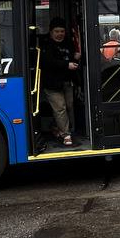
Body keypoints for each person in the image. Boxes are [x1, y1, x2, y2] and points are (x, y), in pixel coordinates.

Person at [38, 17, 81, 146]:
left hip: (67, 82)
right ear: (51, 32)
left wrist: (75, 59)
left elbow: (72, 61)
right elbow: (47, 62)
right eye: (57, 31)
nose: (59, 34)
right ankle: (66, 134)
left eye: (62, 31)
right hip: (51, 84)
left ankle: (55, 127)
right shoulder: (45, 44)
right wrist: (66, 65)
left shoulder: (68, 43)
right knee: (60, 108)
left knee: (69, 107)